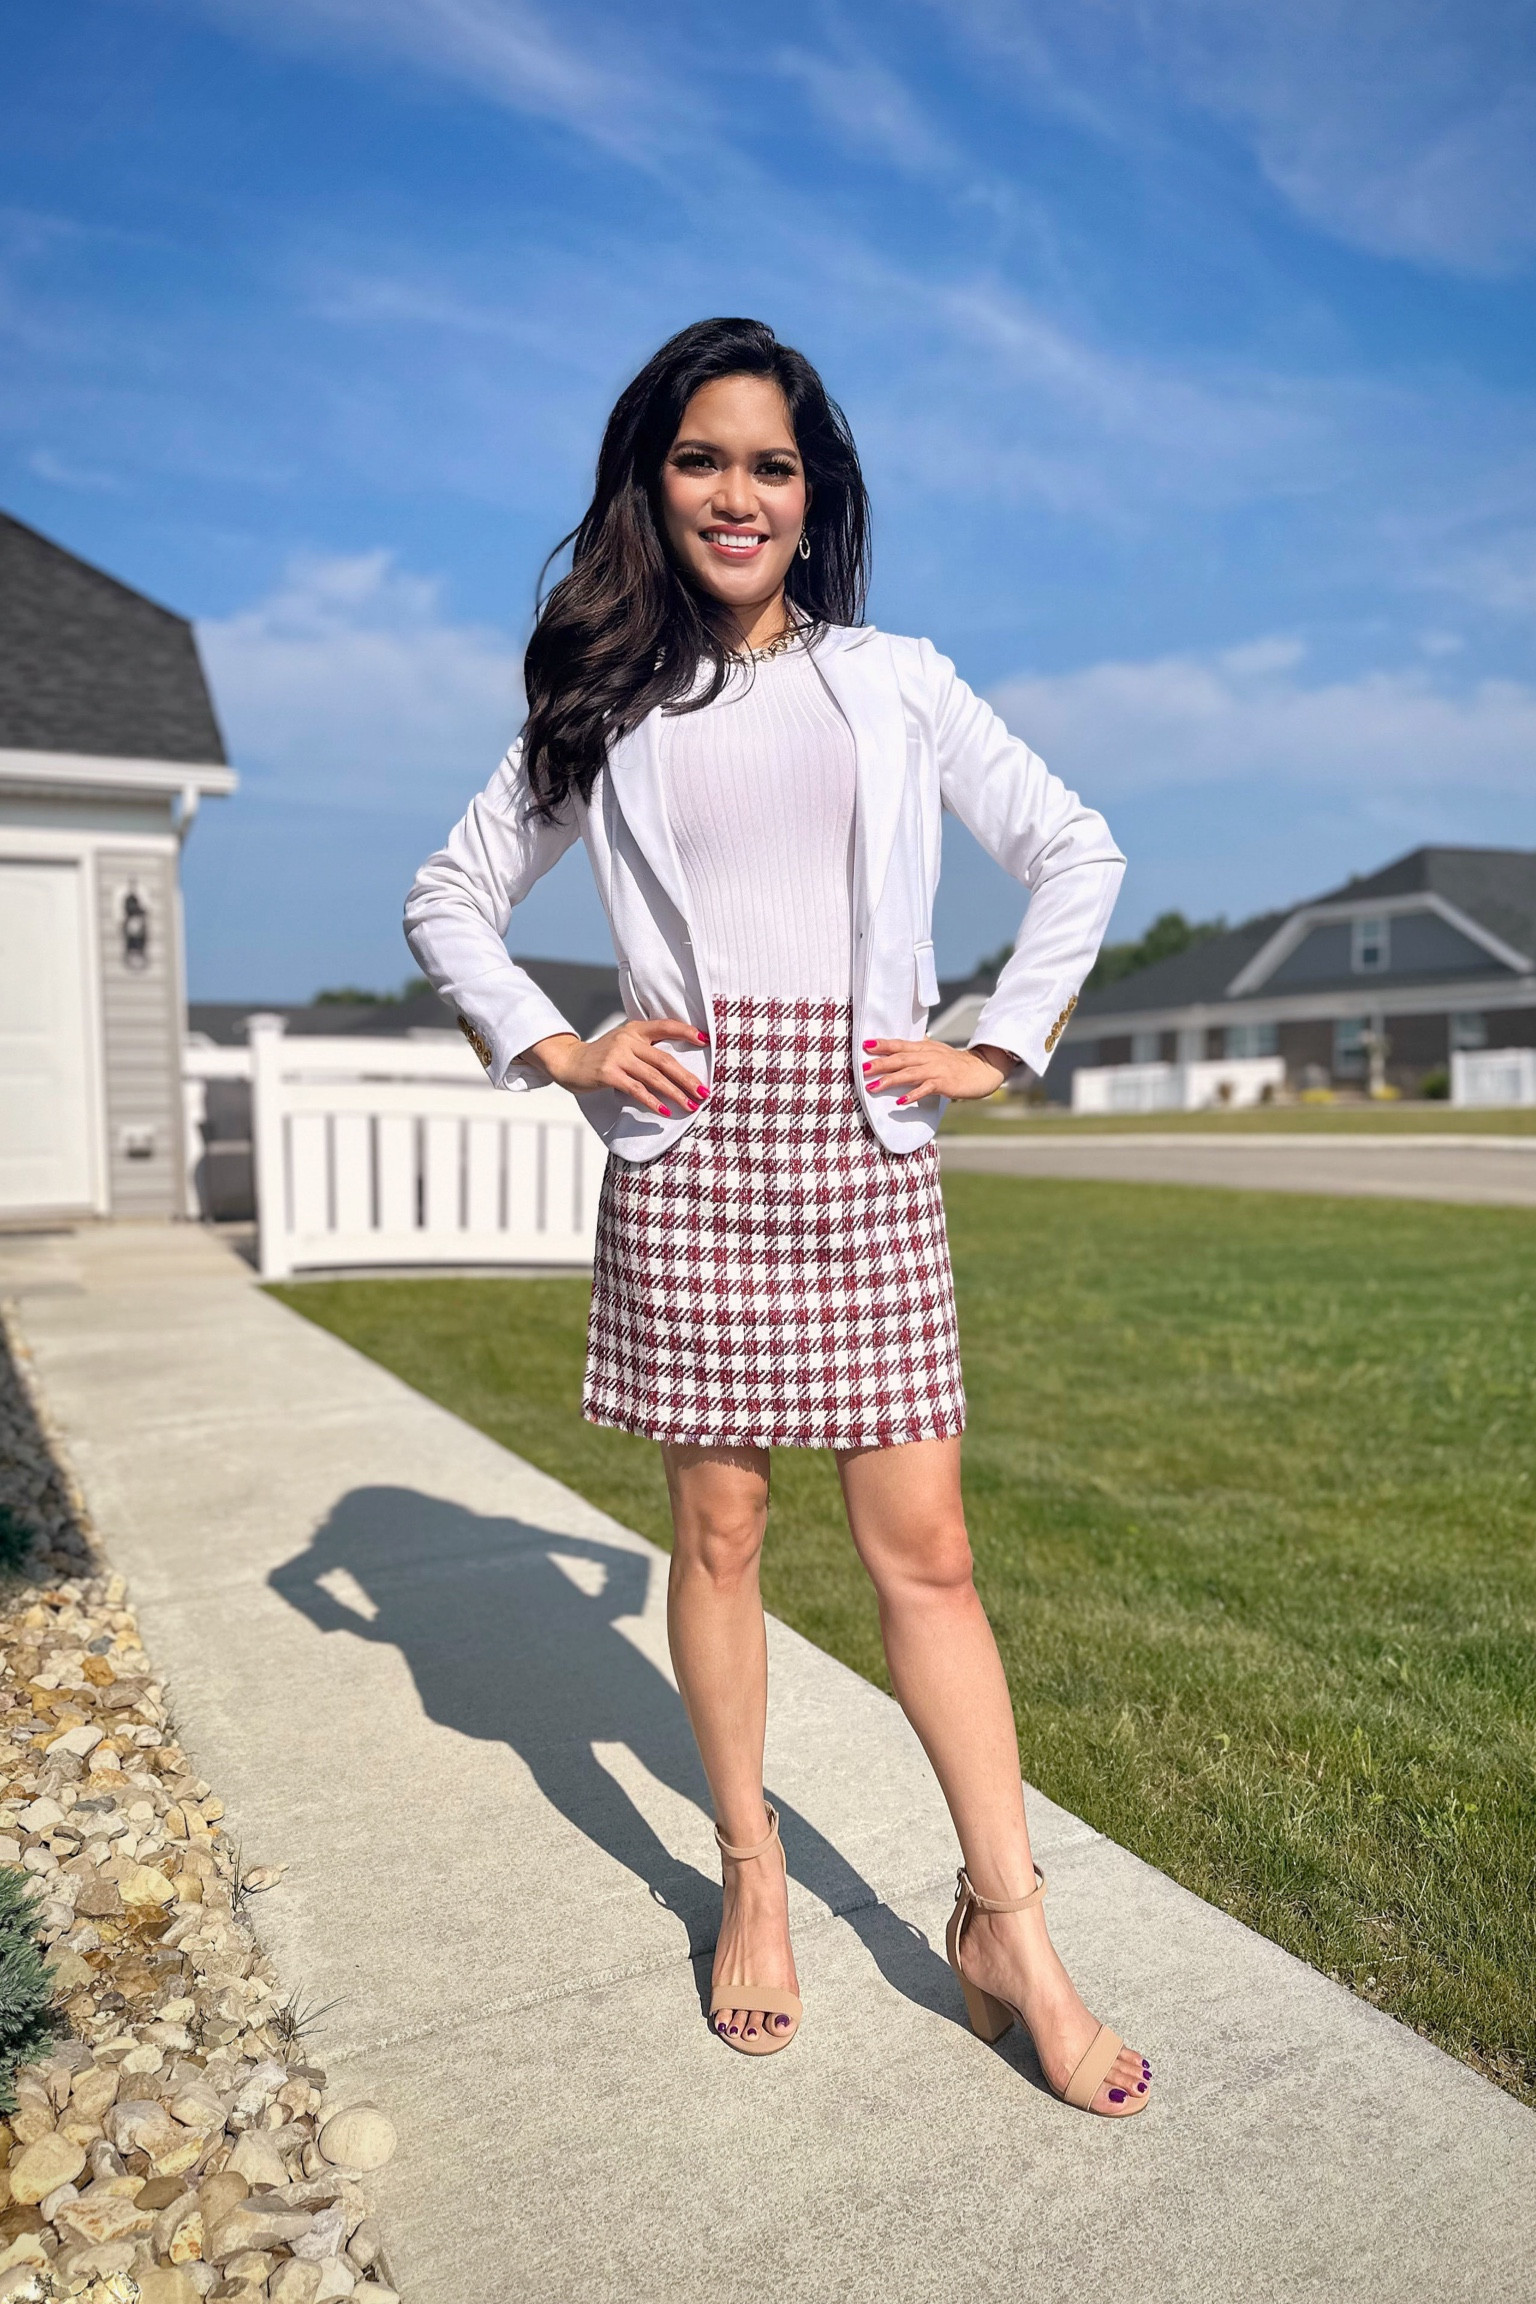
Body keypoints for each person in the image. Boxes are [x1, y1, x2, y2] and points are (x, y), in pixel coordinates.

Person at [405, 317, 1151, 2116]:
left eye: (770, 464)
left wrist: (996, 1038)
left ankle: (1009, 1926)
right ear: (649, 485)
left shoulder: (894, 680)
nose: (736, 494)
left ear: (814, 497)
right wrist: (565, 1044)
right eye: (700, 460)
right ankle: (752, 1873)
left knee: (931, 1555)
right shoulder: (604, 702)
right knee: (721, 1537)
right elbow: (452, 894)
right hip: (697, 1146)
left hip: (864, 1142)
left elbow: (1079, 850)